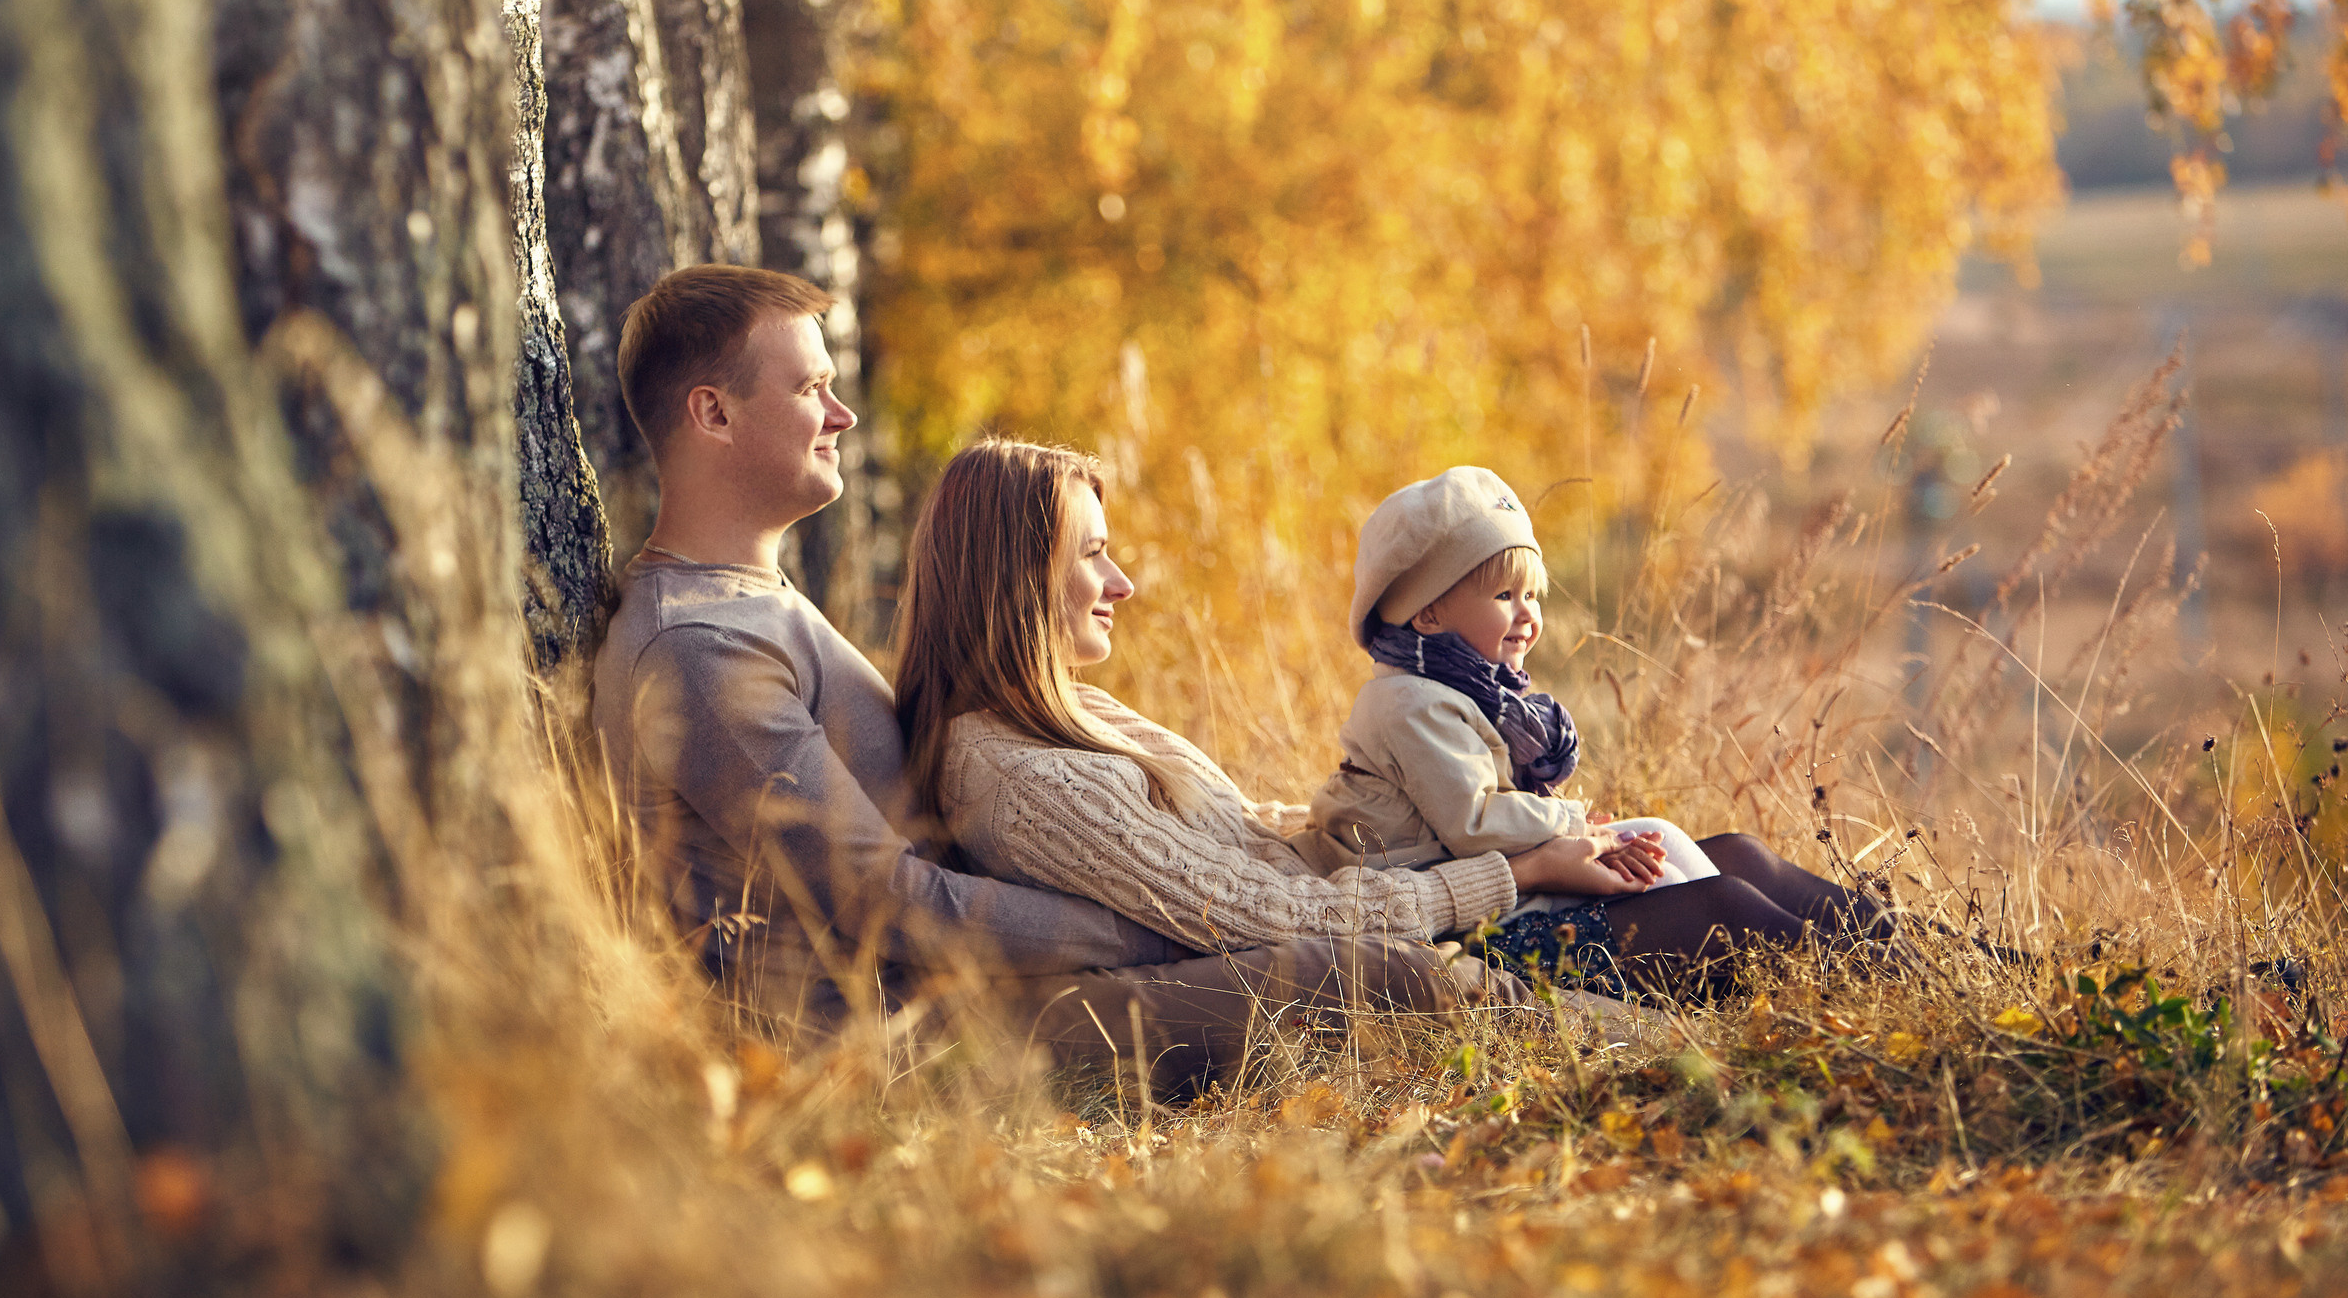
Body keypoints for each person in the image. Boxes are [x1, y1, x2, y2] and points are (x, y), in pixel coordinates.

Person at [591, 270, 1618, 1094]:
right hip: (908, 1049)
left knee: (1362, 941)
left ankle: (1642, 1017)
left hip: (1000, 986)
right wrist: (1143, 923)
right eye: (810, 386)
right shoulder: (698, 644)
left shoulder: (753, 602)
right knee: (1369, 971)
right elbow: (886, 903)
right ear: (713, 414)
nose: (843, 413)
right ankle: (1642, 1055)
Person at [893, 438, 1651, 1080]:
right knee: (1701, 910)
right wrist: (1517, 870)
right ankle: (1685, 1050)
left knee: (1718, 865)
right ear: (1016, 576)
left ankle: (1729, 1023)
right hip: (1355, 936)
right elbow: (1261, 912)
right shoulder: (1016, 776)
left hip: (1369, 891)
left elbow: (1239, 836)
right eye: (1093, 553)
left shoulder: (1067, 710)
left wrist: (1383, 821)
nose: (1123, 582)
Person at [1306, 466, 1902, 998]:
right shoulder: (1409, 704)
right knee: (1722, 905)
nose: (1528, 613)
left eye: (1532, 595)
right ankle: (1889, 976)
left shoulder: (1462, 688)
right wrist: (1572, 826)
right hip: (1482, 930)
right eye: (1503, 595)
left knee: (1736, 853)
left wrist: (1584, 834)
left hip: (1515, 897)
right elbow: (1475, 824)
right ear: (1428, 612)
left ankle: (1930, 953)